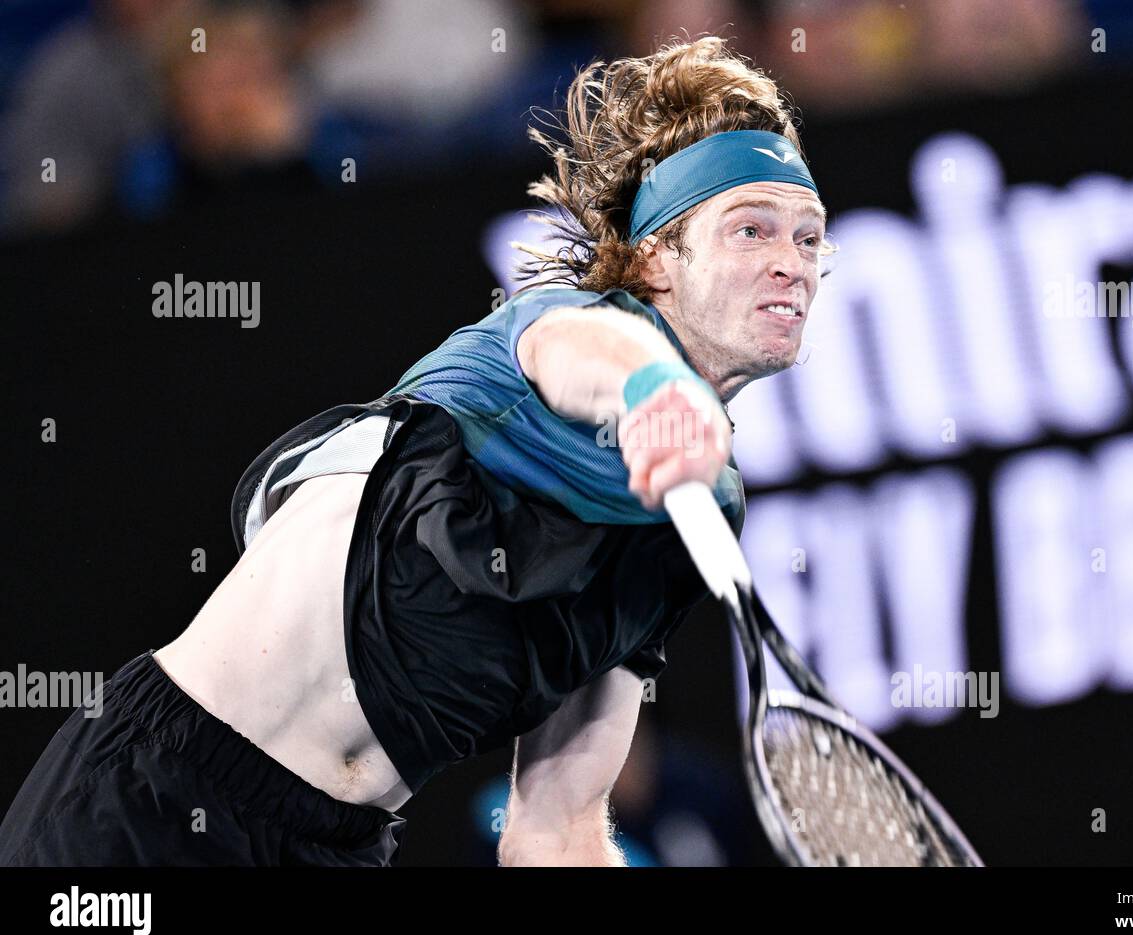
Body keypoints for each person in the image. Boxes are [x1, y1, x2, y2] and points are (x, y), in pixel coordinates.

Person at [0, 35, 831, 867]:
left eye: (806, 239)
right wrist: (660, 398)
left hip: (336, 849)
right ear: (654, 258)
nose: (788, 265)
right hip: (151, 804)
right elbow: (597, 357)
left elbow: (558, 829)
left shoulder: (690, 517)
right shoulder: (554, 332)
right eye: (750, 230)